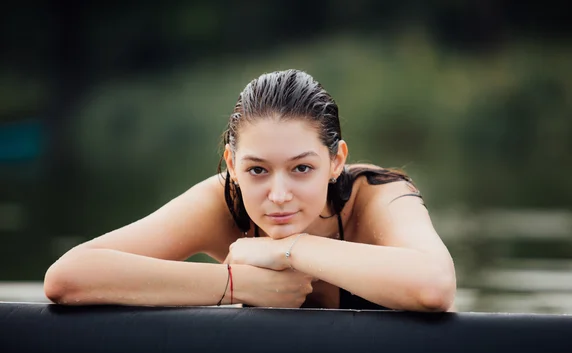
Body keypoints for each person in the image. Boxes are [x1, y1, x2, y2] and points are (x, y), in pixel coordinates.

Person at [43, 69, 456, 311]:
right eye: (257, 169)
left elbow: (435, 286)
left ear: (336, 161)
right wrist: (232, 285)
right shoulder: (220, 203)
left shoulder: (378, 195)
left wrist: (288, 249)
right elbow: (66, 278)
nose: (278, 194)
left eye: (302, 168)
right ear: (231, 166)